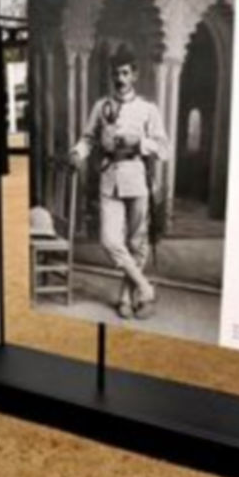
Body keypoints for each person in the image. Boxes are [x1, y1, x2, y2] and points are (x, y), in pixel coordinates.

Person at [69, 46, 168, 320]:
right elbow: (88, 138)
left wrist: (140, 142)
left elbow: (164, 149)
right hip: (109, 177)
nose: (120, 79)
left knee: (137, 243)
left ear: (134, 75)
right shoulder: (101, 106)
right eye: (116, 74)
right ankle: (145, 288)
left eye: (125, 73)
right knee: (110, 239)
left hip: (137, 178)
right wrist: (77, 152)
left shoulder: (148, 109)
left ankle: (126, 297)